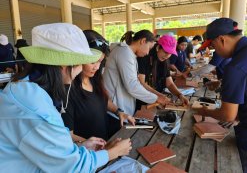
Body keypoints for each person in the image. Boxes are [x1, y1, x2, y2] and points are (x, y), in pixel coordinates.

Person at [0, 23, 132, 172]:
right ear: (64, 65)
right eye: (79, 64)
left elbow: (44, 146)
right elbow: (72, 167)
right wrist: (112, 153)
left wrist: (78, 147)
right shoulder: (38, 111)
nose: (81, 69)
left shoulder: (22, 87)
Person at [196, 18, 247, 172]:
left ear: (222, 39)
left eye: (212, 46)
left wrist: (204, 111)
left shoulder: (236, 67)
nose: (213, 51)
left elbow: (228, 116)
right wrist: (224, 84)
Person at [62, 30, 135, 142]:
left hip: (104, 145)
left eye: (100, 61)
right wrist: (99, 147)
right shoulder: (67, 90)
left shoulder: (95, 79)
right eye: (92, 62)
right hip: (89, 153)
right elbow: (68, 136)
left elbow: (103, 101)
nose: (96, 67)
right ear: (78, 58)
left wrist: (119, 111)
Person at [103, 30, 169, 136]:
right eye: (149, 48)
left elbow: (135, 82)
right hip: (115, 110)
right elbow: (132, 86)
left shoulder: (128, 54)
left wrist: (156, 96)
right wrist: (156, 98)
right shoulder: (124, 52)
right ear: (143, 41)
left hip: (121, 108)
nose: (148, 52)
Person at [137, 34, 189, 107]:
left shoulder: (165, 60)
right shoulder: (145, 57)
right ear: (158, 47)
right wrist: (160, 96)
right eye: (166, 52)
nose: (167, 55)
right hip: (143, 100)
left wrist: (180, 95)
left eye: (170, 53)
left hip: (156, 98)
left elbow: (169, 83)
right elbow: (141, 83)